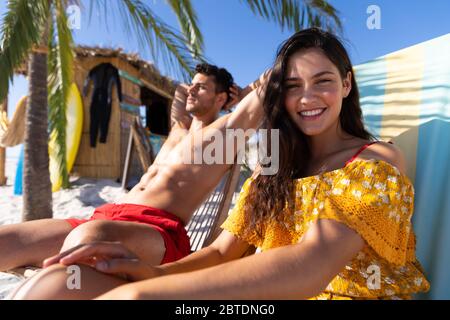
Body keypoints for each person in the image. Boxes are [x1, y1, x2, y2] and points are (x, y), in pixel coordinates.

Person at [12, 28, 430, 300]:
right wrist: (152, 274)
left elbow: (311, 267)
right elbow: (221, 252)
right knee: (55, 286)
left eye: (322, 81)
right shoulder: (272, 167)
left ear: (346, 84)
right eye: (292, 86)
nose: (307, 99)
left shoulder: (375, 160)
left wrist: (154, 292)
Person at [0, 62, 265, 275]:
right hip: (106, 217)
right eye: (192, 86)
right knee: (7, 241)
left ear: (221, 98)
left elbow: (268, 88)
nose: (192, 91)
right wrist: (197, 85)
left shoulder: (224, 135)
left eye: (202, 88)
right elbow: (180, 92)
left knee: (86, 239)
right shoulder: (178, 131)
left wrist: (241, 96)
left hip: (155, 232)